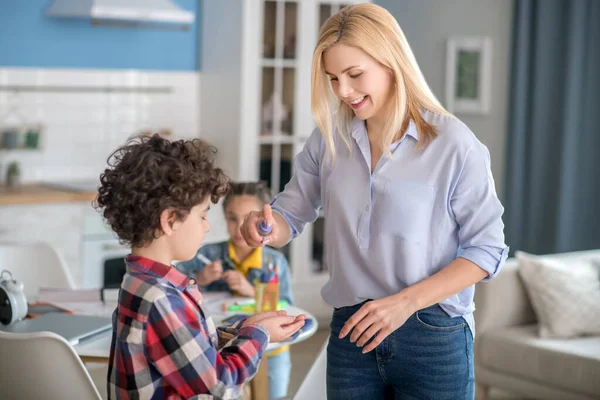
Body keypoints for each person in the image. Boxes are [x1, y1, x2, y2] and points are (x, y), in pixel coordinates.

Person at [240, 4, 508, 400]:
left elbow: (487, 251)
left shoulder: (454, 144)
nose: (343, 91)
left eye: (354, 74)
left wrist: (403, 304)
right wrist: (265, 226)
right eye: (333, 78)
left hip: (431, 334)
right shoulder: (330, 139)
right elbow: (288, 216)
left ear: (391, 62)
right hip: (352, 332)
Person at [94, 134, 305, 400]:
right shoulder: (161, 300)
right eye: (203, 215)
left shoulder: (139, 282)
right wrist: (258, 335)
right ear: (170, 220)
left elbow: (184, 347)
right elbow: (219, 386)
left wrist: (242, 330)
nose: (207, 226)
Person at [178, 181, 294, 400]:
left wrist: (252, 290)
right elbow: (175, 289)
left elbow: (288, 307)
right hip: (224, 351)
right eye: (232, 218)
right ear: (224, 218)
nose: (240, 226)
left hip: (271, 350)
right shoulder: (207, 254)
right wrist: (200, 278)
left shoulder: (275, 261)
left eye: (249, 217)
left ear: (264, 218)